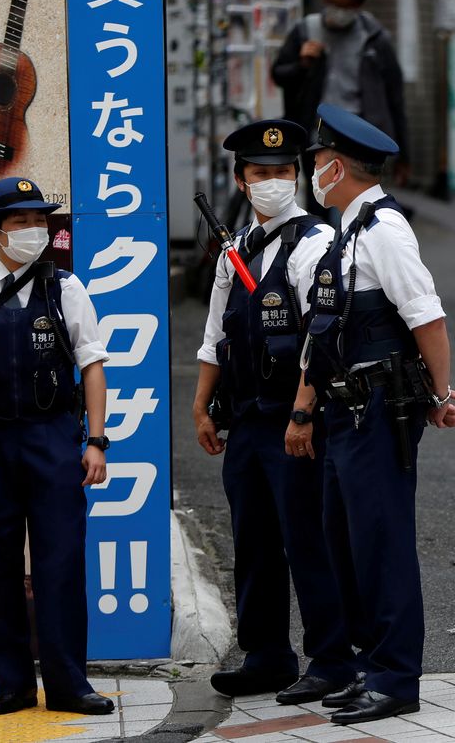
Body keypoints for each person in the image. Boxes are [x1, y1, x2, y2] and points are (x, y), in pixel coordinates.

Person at [295, 105, 455, 725]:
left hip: (379, 410)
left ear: (336, 166)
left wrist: (442, 397)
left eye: (316, 161)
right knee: (346, 542)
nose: (310, 171)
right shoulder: (349, 231)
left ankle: (397, 676)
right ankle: (371, 666)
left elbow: (427, 317)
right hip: (345, 411)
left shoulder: (384, 230)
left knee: (382, 541)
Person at [0, 177, 115, 717]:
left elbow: (92, 364)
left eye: (41, 221)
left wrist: (96, 440)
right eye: (22, 223)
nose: (36, 231)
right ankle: (10, 684)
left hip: (52, 440)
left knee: (61, 562)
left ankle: (70, 684)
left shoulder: (64, 288)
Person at [192, 119, 358, 703]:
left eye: (283, 172)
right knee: (253, 541)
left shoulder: (313, 243)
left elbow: (322, 330)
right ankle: (266, 655)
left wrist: (303, 412)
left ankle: (333, 658)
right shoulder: (235, 250)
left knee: (306, 537)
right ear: (240, 180)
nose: (273, 182)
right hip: (246, 420)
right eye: (261, 174)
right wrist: (201, 404)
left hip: (294, 419)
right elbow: (216, 334)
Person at [271, 0, 408, 170]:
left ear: (359, 4)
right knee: (321, 199)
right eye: (335, 4)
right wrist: (302, 64)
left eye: (347, 7)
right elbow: (279, 74)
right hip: (316, 136)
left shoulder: (374, 39)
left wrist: (404, 154)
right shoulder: (306, 31)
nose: (340, 13)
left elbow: (395, 96)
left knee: (357, 200)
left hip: (361, 139)